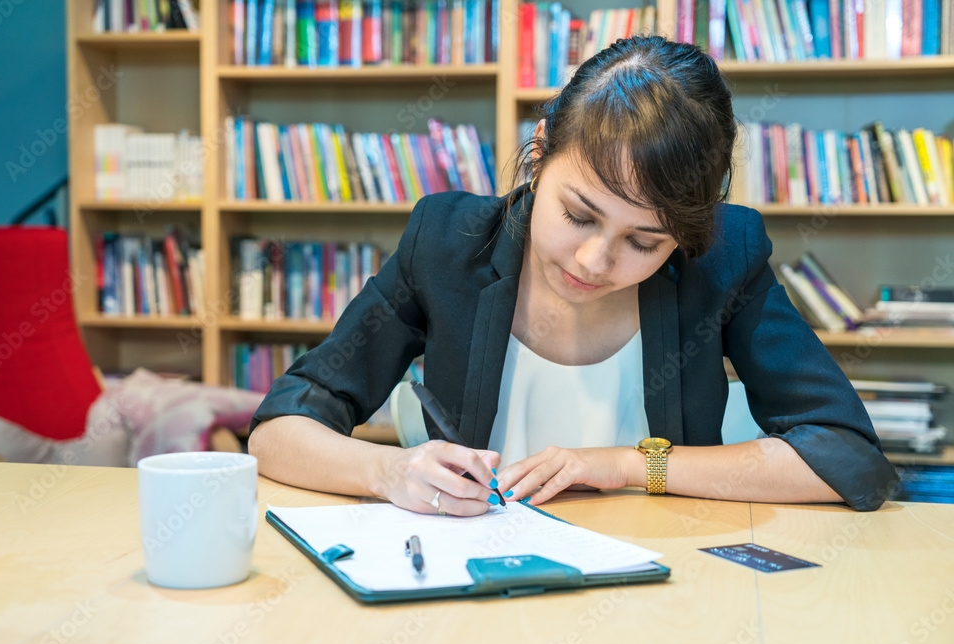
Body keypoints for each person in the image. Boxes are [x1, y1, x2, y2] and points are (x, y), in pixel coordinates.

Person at [249, 35, 898, 515]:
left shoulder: (723, 257)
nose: (595, 261)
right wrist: (391, 469)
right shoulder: (447, 241)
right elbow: (279, 428)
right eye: (579, 214)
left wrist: (626, 465)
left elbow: (848, 458)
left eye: (644, 241)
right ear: (539, 153)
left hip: (671, 583)